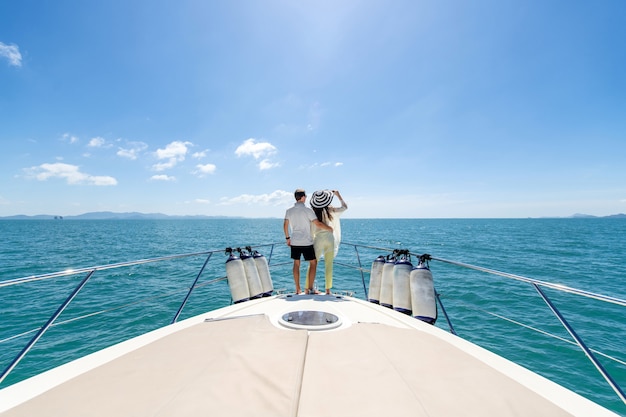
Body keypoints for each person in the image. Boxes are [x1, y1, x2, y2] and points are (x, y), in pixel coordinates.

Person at [283, 189, 332, 294]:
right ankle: (310, 289)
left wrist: (288, 238)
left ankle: (298, 289)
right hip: (306, 242)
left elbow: (285, 225)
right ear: (303, 197)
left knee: (296, 264)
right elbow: (318, 224)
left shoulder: (289, 211)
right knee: (313, 263)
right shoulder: (308, 210)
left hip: (295, 241)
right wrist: (329, 228)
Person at [308, 189, 348, 294]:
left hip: (318, 239)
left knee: (313, 264)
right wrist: (338, 195)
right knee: (329, 264)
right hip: (329, 238)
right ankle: (328, 290)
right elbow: (345, 207)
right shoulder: (330, 210)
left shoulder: (312, 212)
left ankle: (308, 288)